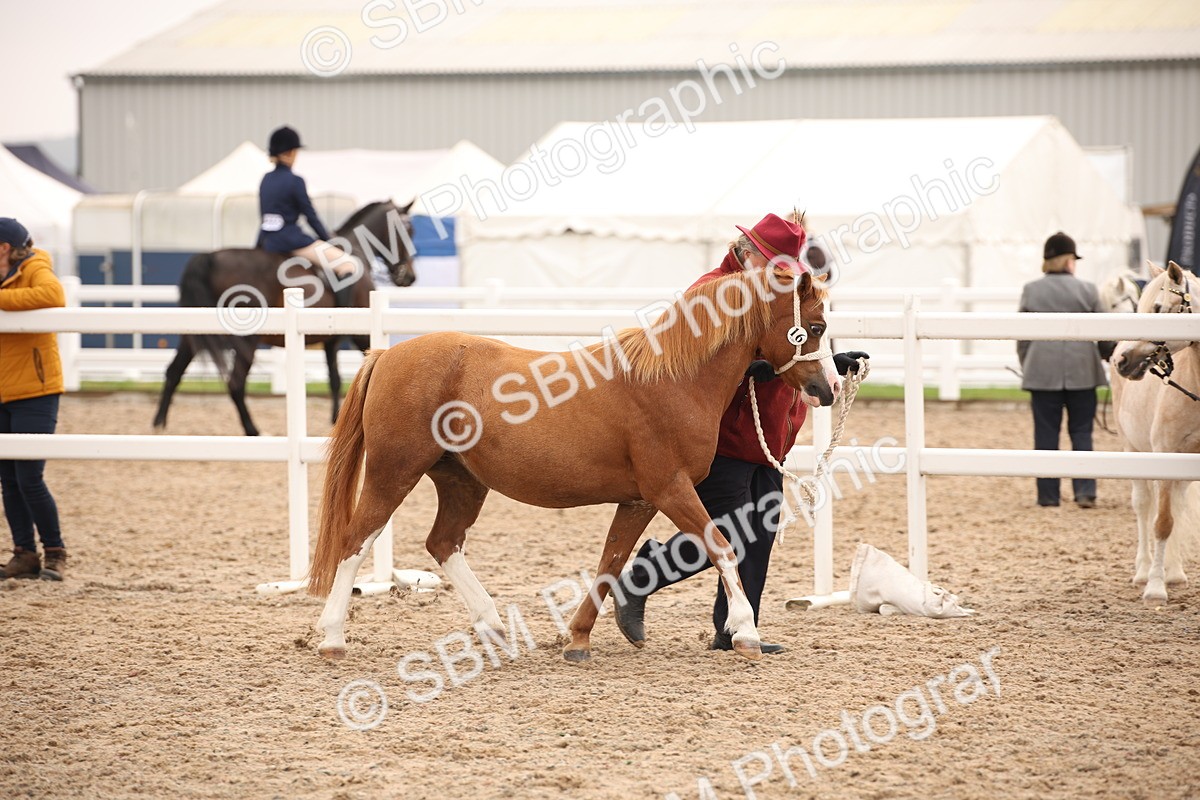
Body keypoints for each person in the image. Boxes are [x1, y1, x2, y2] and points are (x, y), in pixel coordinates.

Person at [613, 213, 869, 654]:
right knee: (725, 528)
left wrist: (829, 364)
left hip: (769, 436)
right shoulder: (710, 294)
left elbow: (796, 344)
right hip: (722, 436)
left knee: (760, 531)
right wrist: (753, 368)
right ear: (748, 254)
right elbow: (681, 367)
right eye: (776, 268)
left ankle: (734, 629)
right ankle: (641, 577)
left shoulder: (778, 298)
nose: (784, 278)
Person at [1017, 231, 1113, 509]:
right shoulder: (1087, 290)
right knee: (1082, 432)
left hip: (1042, 372)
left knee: (1045, 435)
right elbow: (1106, 330)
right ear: (1068, 260)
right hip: (1082, 371)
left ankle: (1048, 496)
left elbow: (1021, 336)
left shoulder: (1032, 289)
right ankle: (1085, 491)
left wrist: (1029, 365)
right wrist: (1106, 354)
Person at [0, 218, 67, 580]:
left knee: (29, 477)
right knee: (8, 479)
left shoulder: (36, 267)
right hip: (2, 389)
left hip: (35, 390)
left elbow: (53, 295)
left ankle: (55, 551)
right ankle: (24, 553)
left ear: (4, 248)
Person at [257, 125, 360, 305]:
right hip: (292, 241)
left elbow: (265, 218)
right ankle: (344, 322)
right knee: (349, 265)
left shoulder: (265, 179)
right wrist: (328, 240)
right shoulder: (295, 181)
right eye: (295, 151)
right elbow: (310, 216)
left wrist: (257, 246)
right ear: (288, 153)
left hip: (268, 241)